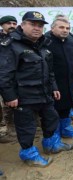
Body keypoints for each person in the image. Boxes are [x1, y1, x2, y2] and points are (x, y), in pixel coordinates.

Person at [0, 11, 73, 167]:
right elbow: (4, 73)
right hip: (23, 96)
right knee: (27, 127)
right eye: (32, 24)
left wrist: (54, 87)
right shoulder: (11, 45)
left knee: (51, 118)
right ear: (22, 25)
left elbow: (50, 70)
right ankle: (29, 155)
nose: (37, 28)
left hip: (45, 93)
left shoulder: (44, 44)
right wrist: (9, 96)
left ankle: (51, 144)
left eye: (40, 25)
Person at [45, 15, 73, 138]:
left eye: (67, 28)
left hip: (70, 80)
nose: (65, 30)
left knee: (67, 105)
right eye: (61, 27)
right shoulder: (45, 40)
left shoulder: (72, 40)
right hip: (53, 82)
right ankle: (54, 134)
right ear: (52, 28)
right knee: (54, 108)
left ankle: (65, 128)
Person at [0, 15, 17, 143]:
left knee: (15, 103)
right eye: (9, 23)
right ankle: (9, 129)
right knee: (5, 104)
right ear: (2, 25)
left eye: (14, 23)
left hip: (15, 77)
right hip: (2, 77)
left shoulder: (18, 38)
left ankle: (15, 129)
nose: (12, 25)